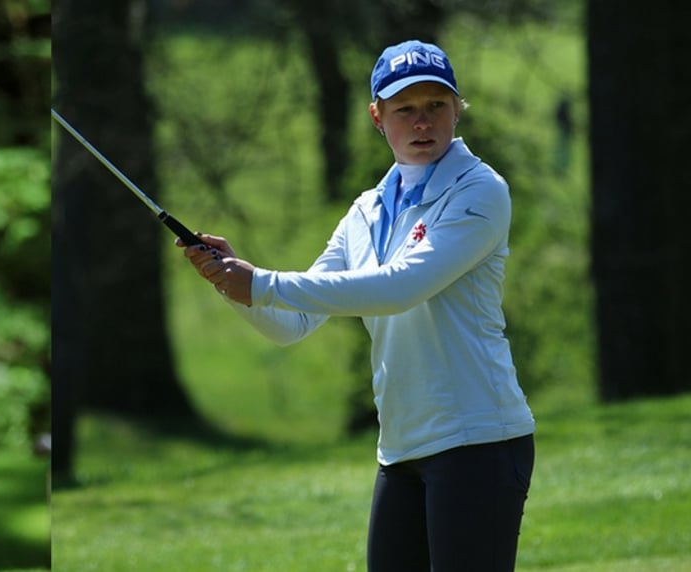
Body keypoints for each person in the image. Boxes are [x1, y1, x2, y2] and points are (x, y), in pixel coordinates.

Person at [181, 40, 535, 571]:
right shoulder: (366, 212)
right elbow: (292, 324)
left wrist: (261, 282)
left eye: (436, 105)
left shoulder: (481, 190)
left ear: (457, 109)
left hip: (478, 440)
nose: (422, 122)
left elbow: (399, 288)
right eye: (405, 109)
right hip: (401, 448)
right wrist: (231, 285)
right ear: (377, 116)